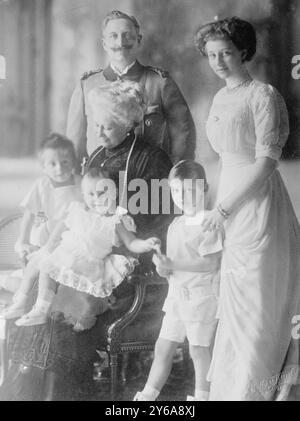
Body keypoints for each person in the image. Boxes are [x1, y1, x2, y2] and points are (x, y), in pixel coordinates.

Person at [0, 81, 173, 401]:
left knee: (65, 303)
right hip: (85, 256)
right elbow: (78, 213)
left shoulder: (151, 161)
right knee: (45, 284)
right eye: (96, 124)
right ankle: (27, 385)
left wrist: (114, 247)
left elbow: (157, 225)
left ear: (127, 122)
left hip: (123, 270)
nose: (100, 132)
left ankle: (56, 392)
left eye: (107, 125)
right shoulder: (95, 156)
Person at [194, 16, 300, 401]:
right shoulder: (220, 98)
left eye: (225, 53)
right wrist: (215, 207)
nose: (219, 61)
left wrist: (225, 208)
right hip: (228, 200)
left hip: (258, 206)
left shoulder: (264, 95)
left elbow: (266, 162)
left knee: (257, 305)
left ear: (243, 51)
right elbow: (222, 160)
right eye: (211, 55)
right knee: (234, 306)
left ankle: (254, 393)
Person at [2, 168, 161, 330]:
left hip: (87, 262)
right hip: (65, 253)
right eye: (91, 194)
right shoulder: (77, 210)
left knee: (46, 268)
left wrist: (146, 244)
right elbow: (58, 231)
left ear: (114, 193)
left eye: (102, 193)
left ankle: (41, 310)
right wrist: (47, 248)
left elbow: (132, 243)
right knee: (39, 263)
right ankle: (22, 302)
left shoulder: (116, 220)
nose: (97, 198)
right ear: (84, 195)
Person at [134, 160, 223, 402]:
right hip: (176, 298)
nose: (183, 197)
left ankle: (202, 398)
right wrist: (162, 265)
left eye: (190, 190)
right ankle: (147, 397)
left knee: (198, 350)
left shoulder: (209, 222)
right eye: (176, 191)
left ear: (203, 188)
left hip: (200, 298)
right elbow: (171, 269)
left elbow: (211, 263)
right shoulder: (176, 225)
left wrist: (173, 265)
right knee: (163, 347)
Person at [66, 10, 196, 167]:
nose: (120, 43)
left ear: (139, 40)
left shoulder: (160, 83)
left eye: (127, 35)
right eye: (113, 36)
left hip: (148, 178)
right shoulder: (87, 85)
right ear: (104, 44)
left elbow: (183, 134)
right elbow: (74, 141)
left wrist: (174, 173)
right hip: (100, 180)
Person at [0, 133, 81, 307]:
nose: (59, 168)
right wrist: (23, 241)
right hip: (47, 236)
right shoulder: (42, 185)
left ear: (73, 162)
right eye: (52, 164)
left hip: (71, 239)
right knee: (33, 281)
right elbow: (29, 214)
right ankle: (6, 282)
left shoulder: (80, 183)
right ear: (44, 167)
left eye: (65, 162)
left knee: (60, 283)